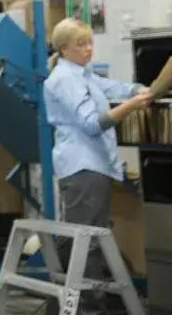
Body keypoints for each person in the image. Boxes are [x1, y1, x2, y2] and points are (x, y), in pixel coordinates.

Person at [44, 18, 151, 313]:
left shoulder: (82, 74)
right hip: (82, 169)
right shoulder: (65, 79)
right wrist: (131, 106)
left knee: (87, 239)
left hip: (93, 168)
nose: (89, 49)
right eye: (81, 44)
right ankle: (85, 308)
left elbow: (114, 86)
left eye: (90, 42)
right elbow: (92, 124)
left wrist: (146, 90)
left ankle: (65, 306)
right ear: (64, 49)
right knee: (86, 244)